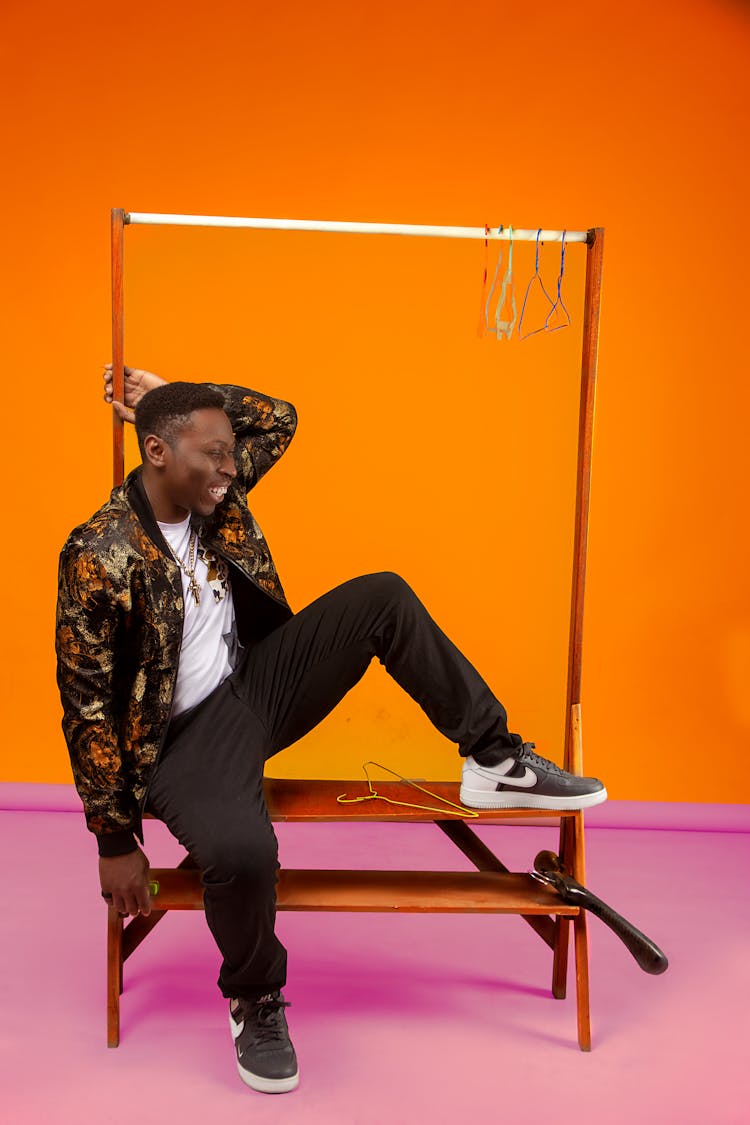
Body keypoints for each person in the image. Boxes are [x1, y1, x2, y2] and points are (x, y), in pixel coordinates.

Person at [56, 365, 606, 1095]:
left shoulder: (210, 489)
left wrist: (174, 385)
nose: (228, 468)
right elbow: (86, 702)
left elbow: (278, 417)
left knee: (382, 595)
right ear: (156, 452)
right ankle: (254, 997)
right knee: (245, 850)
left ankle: (494, 757)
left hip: (252, 687)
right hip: (177, 742)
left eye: (230, 453)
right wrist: (114, 838)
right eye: (211, 454)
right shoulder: (99, 552)